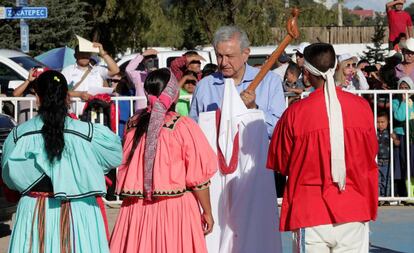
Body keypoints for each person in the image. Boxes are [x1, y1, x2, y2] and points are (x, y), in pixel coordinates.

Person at [267, 43, 378, 252]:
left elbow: (281, 163)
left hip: (310, 210)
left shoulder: (295, 113)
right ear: (336, 68)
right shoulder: (362, 108)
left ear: (306, 75)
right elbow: (370, 152)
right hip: (353, 206)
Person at [1, 70, 122, 253]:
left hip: (34, 210)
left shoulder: (19, 135)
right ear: (67, 96)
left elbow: (8, 177)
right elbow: (113, 157)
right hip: (80, 211)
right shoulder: (89, 133)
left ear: (37, 96)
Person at [189, 25, 283, 253]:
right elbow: (193, 133)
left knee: (255, 236)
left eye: (229, 56)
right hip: (215, 175)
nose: (223, 62)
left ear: (246, 53)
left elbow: (278, 128)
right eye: (219, 55)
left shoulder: (268, 82)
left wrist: (254, 109)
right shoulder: (205, 87)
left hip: (254, 174)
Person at [110, 68, 217, 253]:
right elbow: (198, 179)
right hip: (175, 209)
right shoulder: (183, 126)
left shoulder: (133, 123)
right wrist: (207, 211)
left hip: (137, 208)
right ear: (174, 94)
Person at [61, 43, 119, 114]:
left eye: (87, 53)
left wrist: (103, 53)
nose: (84, 55)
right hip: (75, 118)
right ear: (75, 55)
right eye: (81, 52)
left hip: (97, 116)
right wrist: (79, 94)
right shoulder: (67, 71)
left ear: (90, 55)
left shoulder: (98, 70)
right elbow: (61, 91)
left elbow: (115, 70)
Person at [392, 76, 414, 199]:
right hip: (401, 135)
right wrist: (404, 102)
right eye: (402, 87)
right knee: (402, 164)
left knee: (411, 164)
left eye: (407, 88)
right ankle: (403, 193)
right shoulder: (395, 102)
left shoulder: (413, 102)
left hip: (411, 136)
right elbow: (400, 117)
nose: (404, 90)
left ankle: (411, 192)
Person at [377, 110, 399, 200]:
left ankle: (386, 197)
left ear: (388, 122)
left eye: (383, 122)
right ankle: (379, 197)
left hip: (387, 161)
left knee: (386, 180)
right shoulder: (375, 132)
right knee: (378, 180)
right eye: (378, 122)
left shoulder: (390, 132)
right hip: (377, 161)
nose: (380, 124)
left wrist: (394, 139)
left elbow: (397, 143)